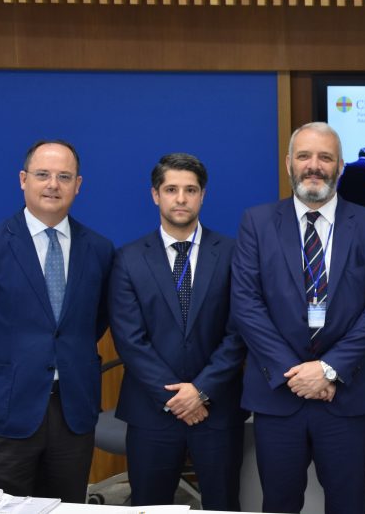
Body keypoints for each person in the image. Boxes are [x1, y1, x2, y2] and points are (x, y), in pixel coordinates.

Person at [231, 121, 365, 514]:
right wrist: (297, 373)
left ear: (340, 166)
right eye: (304, 155)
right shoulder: (256, 223)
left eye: (325, 157)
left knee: (348, 504)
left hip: (346, 396)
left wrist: (327, 370)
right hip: (279, 396)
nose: (314, 165)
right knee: (280, 503)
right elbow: (246, 305)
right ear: (289, 162)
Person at [0, 140, 114, 502]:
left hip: (73, 412)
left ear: (78, 185)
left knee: (68, 507)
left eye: (64, 176)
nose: (53, 184)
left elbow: (92, 322)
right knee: (4, 509)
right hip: (5, 411)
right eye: (42, 175)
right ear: (23, 180)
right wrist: (1, 371)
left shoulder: (99, 250)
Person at [108, 153, 246, 510]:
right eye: (171, 189)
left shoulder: (233, 254)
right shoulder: (129, 258)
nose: (181, 198)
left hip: (216, 408)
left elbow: (238, 332)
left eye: (190, 190)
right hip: (152, 410)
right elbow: (130, 339)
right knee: (150, 506)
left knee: (223, 504)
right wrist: (177, 399)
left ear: (203, 195)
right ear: (156, 195)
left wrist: (200, 392)